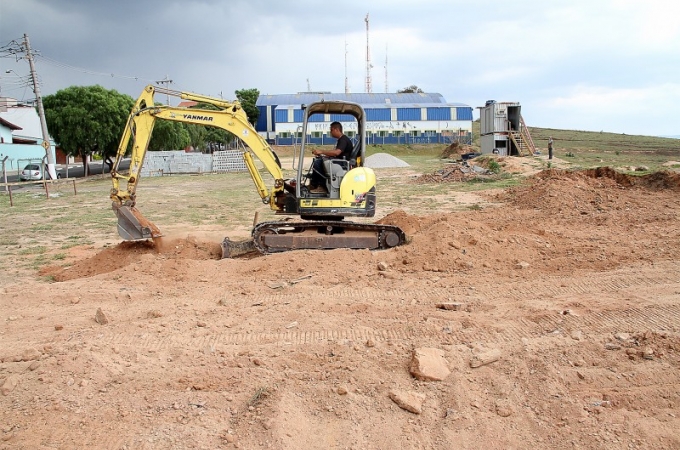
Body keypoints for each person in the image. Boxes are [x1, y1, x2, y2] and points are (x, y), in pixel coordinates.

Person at [308, 121, 354, 193]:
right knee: (319, 160)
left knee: (318, 163)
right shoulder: (342, 139)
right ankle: (315, 184)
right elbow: (337, 154)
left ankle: (321, 186)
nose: (330, 132)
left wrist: (321, 151)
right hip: (340, 161)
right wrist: (324, 155)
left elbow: (337, 152)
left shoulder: (343, 140)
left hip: (342, 163)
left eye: (331, 130)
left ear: (336, 129)